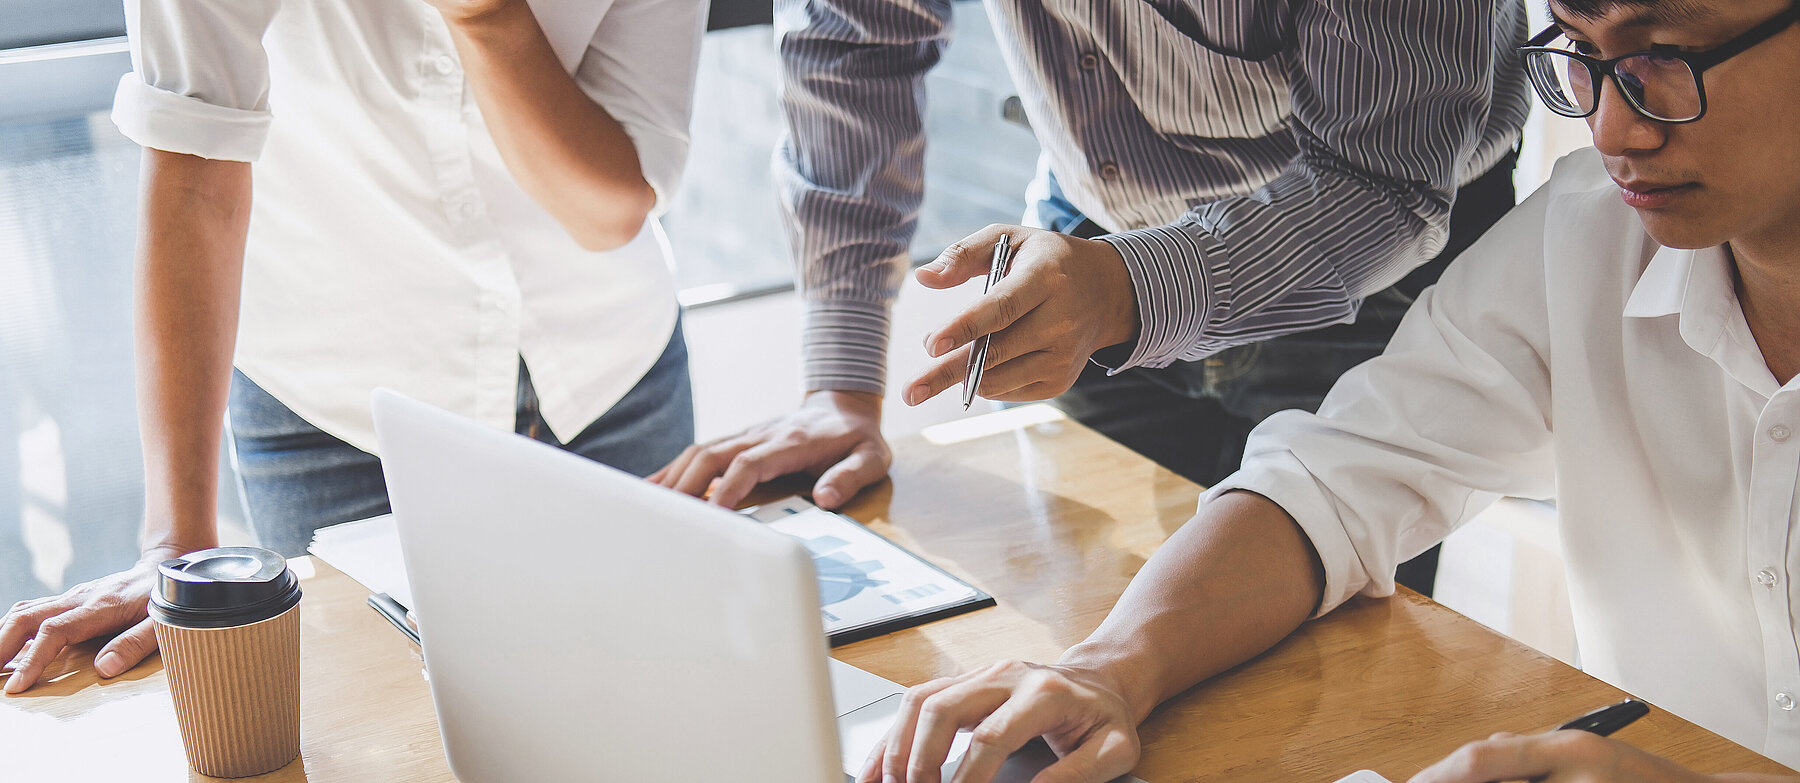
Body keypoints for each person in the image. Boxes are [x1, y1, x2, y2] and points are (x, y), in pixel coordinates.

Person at [856, 0, 1800, 780]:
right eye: (1583, 53)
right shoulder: (1586, 237)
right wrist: (1109, 667)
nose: (1611, 126)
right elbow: (1337, 478)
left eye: (1666, 57)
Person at [654, 0, 1529, 597]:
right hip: (1091, 231)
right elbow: (856, 46)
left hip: (1371, 269)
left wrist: (1123, 290)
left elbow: (1380, 181)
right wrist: (840, 387)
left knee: (1327, 685)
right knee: (1095, 624)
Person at [0, 0, 704, 693]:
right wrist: (175, 543)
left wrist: (486, 18)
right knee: (369, 739)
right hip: (331, 408)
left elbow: (612, 209)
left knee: (648, 707)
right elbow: (196, 167)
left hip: (608, 375)